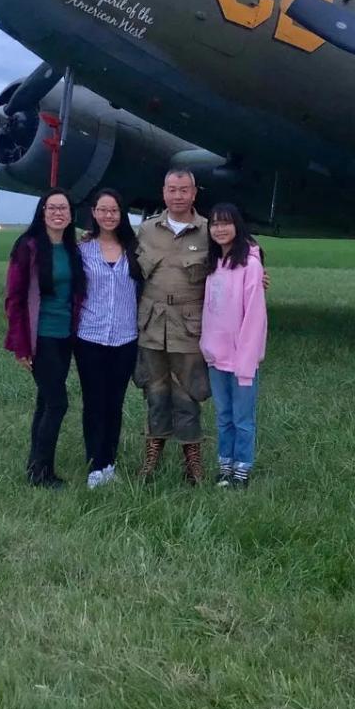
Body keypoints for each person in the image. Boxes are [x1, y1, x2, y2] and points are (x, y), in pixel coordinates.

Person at [134, 169, 212, 484]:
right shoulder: (146, 230)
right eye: (171, 189)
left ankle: (192, 463)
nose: (177, 196)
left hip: (190, 328)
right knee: (154, 392)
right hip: (151, 326)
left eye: (184, 190)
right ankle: (151, 458)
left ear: (194, 193)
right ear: (163, 192)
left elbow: (241, 256)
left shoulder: (209, 230)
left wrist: (257, 273)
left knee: (188, 393)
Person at [4, 188, 85, 488]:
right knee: (57, 404)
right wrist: (20, 344)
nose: (58, 213)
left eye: (63, 208)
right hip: (41, 338)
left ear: (71, 214)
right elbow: (14, 298)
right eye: (52, 208)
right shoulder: (28, 247)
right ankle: (42, 473)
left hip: (65, 337)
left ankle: (35, 466)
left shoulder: (70, 247)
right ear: (42, 212)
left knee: (44, 402)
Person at [74, 188, 142, 489]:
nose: (108, 215)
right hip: (90, 337)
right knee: (93, 402)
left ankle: (109, 462)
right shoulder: (82, 250)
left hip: (125, 338)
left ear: (121, 213)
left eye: (114, 210)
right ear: (94, 213)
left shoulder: (136, 248)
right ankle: (95, 464)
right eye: (103, 210)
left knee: (115, 403)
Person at [200, 203, 267, 489]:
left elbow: (254, 315)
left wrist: (247, 358)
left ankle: (242, 471)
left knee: (243, 418)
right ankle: (225, 466)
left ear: (237, 226)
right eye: (214, 223)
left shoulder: (250, 265)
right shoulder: (213, 264)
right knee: (223, 416)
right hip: (216, 356)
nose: (219, 229)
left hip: (242, 359)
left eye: (226, 223)